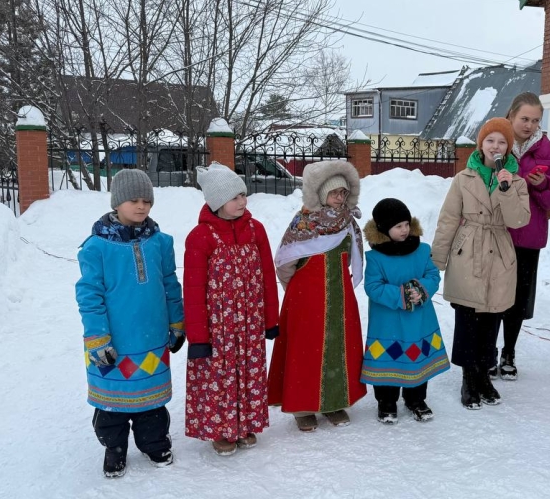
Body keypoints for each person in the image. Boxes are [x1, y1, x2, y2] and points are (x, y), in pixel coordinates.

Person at [75, 169, 185, 478]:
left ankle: (154, 443)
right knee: (113, 404)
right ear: (117, 202)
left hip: (151, 338)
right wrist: (98, 338)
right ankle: (114, 448)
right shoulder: (96, 247)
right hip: (113, 342)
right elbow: (89, 295)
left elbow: (170, 283)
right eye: (134, 200)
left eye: (147, 201)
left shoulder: (160, 242)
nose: (141, 206)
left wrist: (177, 321)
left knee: (151, 402)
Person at [432, 117, 531, 410]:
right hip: (468, 251)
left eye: (502, 142)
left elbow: (518, 220)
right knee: (467, 318)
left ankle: (484, 376)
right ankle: (468, 378)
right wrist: (438, 258)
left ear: (508, 148)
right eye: (490, 140)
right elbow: (448, 219)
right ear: (481, 144)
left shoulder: (516, 182)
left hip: (499, 251)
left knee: (492, 318)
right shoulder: (463, 178)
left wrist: (506, 189)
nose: (495, 146)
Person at [183, 162, 280, 455]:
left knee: (248, 371)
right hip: (219, 327)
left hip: (250, 322)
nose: (242, 202)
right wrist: (198, 338)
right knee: (221, 375)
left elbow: (267, 276)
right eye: (234, 197)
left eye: (243, 195)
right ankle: (221, 429)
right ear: (216, 201)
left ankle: (246, 423)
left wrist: (270, 320)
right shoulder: (200, 236)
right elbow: (193, 291)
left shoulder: (256, 230)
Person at [268, 160, 367, 432]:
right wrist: (295, 291)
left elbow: (354, 257)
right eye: (334, 192)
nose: (340, 197)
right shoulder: (304, 222)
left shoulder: (348, 222)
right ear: (322, 193)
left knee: (337, 347)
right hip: (306, 298)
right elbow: (285, 261)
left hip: (339, 296)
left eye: (343, 193)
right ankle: (302, 407)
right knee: (304, 349)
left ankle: (334, 402)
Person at [490, 92, 550, 381]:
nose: (530, 125)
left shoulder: (545, 150)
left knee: (517, 300)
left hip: (528, 237)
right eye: (525, 118)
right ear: (511, 115)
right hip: (496, 234)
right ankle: (487, 352)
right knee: (491, 297)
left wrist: (543, 184)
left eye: (536, 121)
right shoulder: (495, 144)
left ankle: (508, 353)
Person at [361, 198, 450, 424]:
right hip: (388, 321)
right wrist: (402, 295)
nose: (404, 230)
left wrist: (422, 290)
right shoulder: (375, 257)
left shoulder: (422, 251)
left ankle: (416, 399)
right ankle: (386, 402)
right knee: (388, 361)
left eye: (407, 224)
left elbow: (432, 275)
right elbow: (373, 287)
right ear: (384, 229)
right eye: (398, 226)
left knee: (416, 357)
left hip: (418, 319)